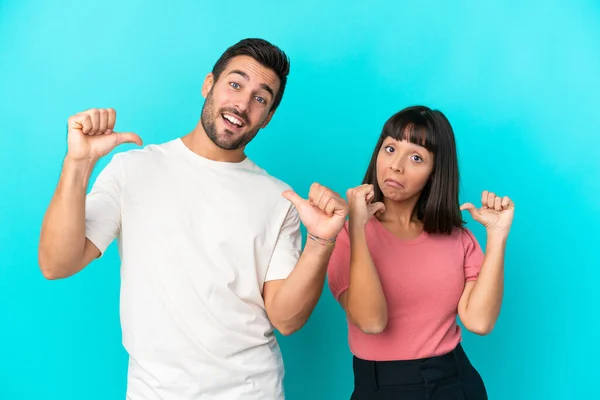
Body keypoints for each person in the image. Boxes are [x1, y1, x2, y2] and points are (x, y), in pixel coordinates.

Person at [38, 38, 348, 399]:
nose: (243, 105)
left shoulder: (280, 200)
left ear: (268, 117)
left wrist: (322, 241)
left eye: (260, 98)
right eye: (235, 84)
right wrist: (77, 164)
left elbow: (286, 319)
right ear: (208, 85)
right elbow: (56, 263)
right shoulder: (133, 169)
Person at [327, 105, 514, 399]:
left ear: (435, 172)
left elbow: (479, 322)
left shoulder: (457, 238)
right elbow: (371, 321)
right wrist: (358, 229)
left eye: (416, 157)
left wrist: (498, 236)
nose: (396, 165)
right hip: (381, 387)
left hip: (455, 382)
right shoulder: (346, 236)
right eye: (390, 149)